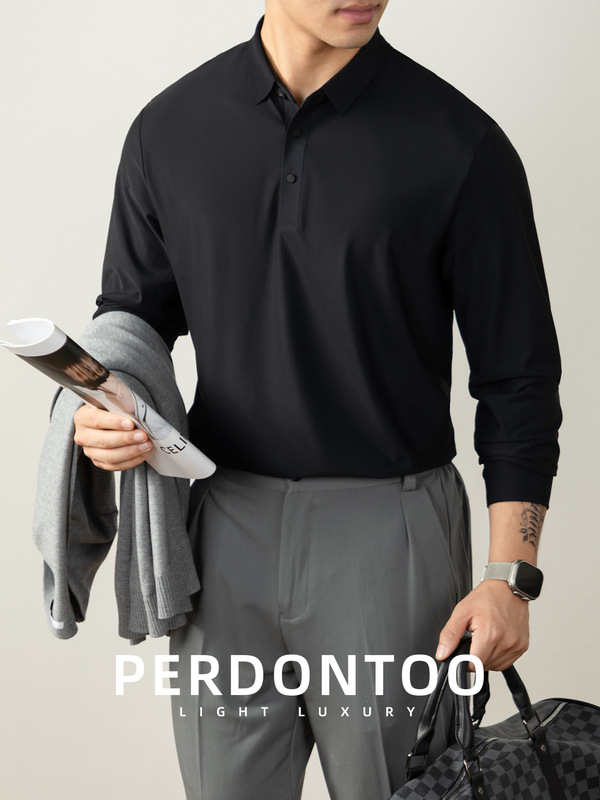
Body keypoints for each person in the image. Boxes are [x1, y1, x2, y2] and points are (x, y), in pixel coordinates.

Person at [72, 1, 561, 798]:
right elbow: (133, 323)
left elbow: (519, 379)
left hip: (391, 536)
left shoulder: (461, 143)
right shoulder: (169, 131)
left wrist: (510, 577)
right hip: (222, 533)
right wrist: (102, 411)